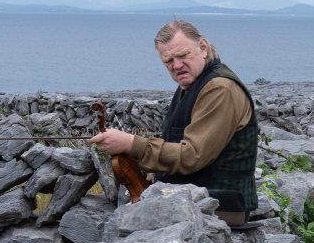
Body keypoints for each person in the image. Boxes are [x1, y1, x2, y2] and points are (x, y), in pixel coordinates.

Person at [90, 19, 259, 222]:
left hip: (219, 210)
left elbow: (192, 155)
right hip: (194, 203)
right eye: (168, 61)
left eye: (183, 55)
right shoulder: (192, 84)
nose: (176, 65)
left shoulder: (220, 89)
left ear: (203, 47)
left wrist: (130, 143)